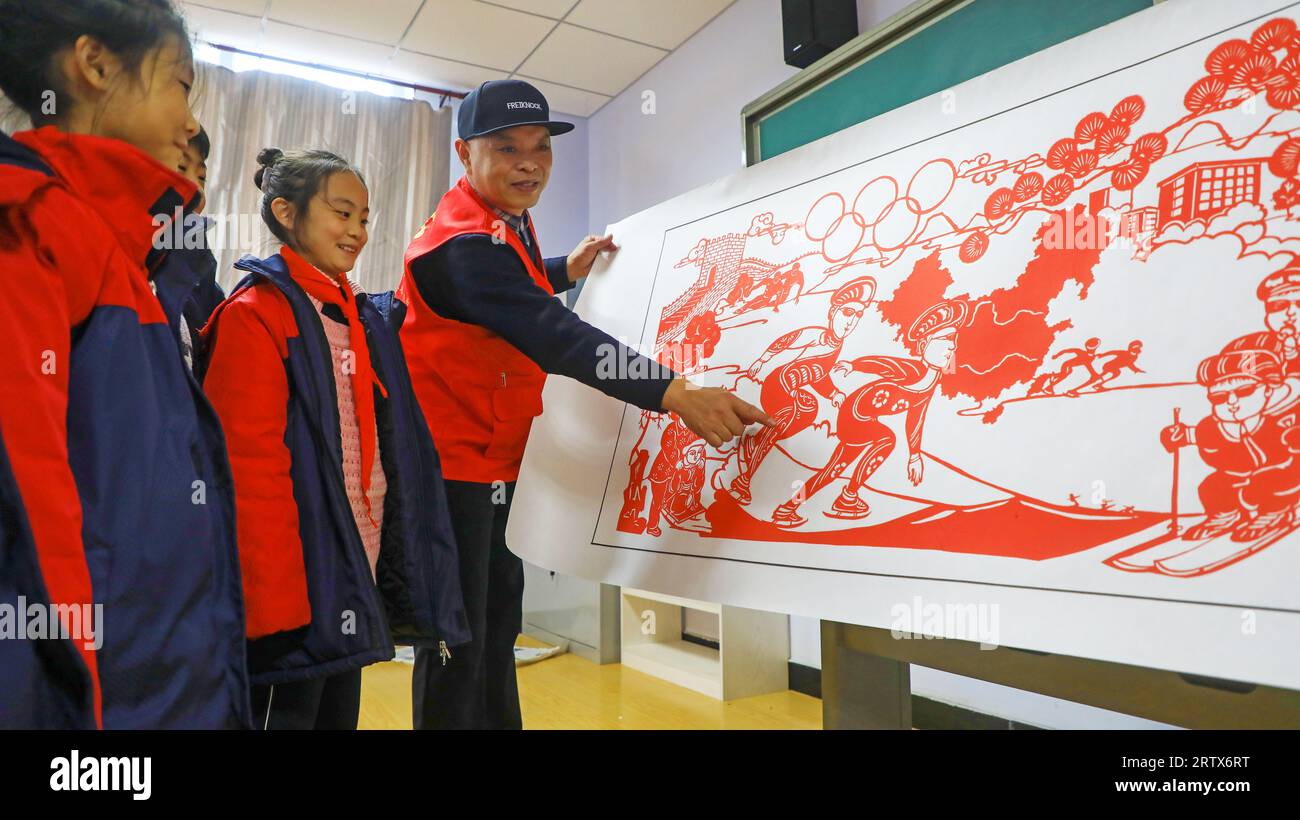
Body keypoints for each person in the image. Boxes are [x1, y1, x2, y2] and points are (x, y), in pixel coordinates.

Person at [397, 79, 772, 729]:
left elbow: (516, 284)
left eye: (541, 148)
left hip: (495, 458)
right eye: (508, 148)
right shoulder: (460, 248)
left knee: (495, 624)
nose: (529, 163)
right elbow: (558, 338)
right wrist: (675, 392)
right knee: (457, 636)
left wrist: (568, 268)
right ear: (465, 153)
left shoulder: (497, 223)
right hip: (450, 466)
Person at [0, 0, 249, 729]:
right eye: (180, 84)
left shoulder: (131, 253)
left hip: (166, 681)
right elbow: (26, 531)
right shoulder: (31, 224)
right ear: (97, 65)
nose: (190, 123)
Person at [202, 148, 470, 729]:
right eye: (342, 212)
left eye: (366, 218)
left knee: (336, 711)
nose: (357, 231)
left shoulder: (360, 316)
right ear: (286, 213)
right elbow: (245, 469)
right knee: (290, 710)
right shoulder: (255, 314)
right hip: (295, 580)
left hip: (354, 557)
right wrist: (273, 606)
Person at [772, 299, 969, 527]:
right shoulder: (914, 370)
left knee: (834, 469)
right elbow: (883, 364)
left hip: (865, 420)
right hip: (854, 415)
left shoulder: (932, 381)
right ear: (924, 344)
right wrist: (855, 365)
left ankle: (788, 508)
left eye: (953, 339)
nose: (952, 347)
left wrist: (915, 455)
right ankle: (848, 497)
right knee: (886, 440)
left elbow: (916, 417)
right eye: (944, 340)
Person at [730, 277, 874, 504]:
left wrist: (833, 393)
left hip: (795, 391)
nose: (851, 321)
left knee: (809, 409)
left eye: (858, 315)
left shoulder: (838, 344)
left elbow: (818, 373)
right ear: (833, 312)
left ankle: (756, 443)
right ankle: (744, 480)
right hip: (778, 385)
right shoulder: (819, 336)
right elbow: (786, 341)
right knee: (784, 418)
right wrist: (762, 359)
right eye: (847, 312)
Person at [1161, 333, 1300, 543]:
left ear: (1268, 389)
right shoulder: (1215, 427)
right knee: (1212, 486)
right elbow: (1195, 435)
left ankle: (1273, 513)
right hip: (1239, 476)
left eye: (1245, 391)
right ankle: (1223, 515)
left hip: (1281, 473)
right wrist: (1177, 435)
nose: (1232, 402)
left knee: (1266, 482)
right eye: (1219, 397)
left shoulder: (1279, 420)